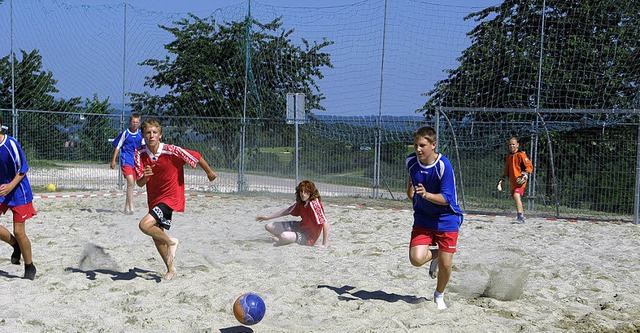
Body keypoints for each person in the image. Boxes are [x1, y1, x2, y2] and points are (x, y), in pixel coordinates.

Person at [133, 118, 217, 280]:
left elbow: (196, 156)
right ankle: (170, 269)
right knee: (157, 237)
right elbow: (140, 183)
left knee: (144, 225)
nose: (151, 135)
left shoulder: (172, 151)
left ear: (160, 135)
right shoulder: (139, 153)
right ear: (143, 135)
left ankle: (172, 241)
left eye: (155, 132)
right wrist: (145, 176)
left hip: (171, 197)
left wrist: (210, 173)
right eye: (148, 133)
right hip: (154, 198)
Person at [406, 126, 463, 310]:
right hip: (423, 218)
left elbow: (447, 198)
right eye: (415, 145)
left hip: (446, 218)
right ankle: (438, 254)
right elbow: (412, 184)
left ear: (433, 144)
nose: (418, 149)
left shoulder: (443, 165)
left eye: (422, 145)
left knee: (446, 265)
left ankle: (439, 295)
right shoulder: (411, 162)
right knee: (416, 259)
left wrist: (426, 195)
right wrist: (413, 194)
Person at [0, 118, 37, 280]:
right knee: (16, 237)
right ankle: (15, 245)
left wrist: (10, 186)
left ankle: (29, 266)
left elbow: (23, 169)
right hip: (1, 191)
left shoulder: (10, 144)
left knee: (19, 231)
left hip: (18, 191)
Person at [255, 180, 329, 248]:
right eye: (301, 192)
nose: (303, 194)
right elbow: (287, 211)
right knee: (269, 226)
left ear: (311, 192)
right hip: (300, 226)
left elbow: (325, 223)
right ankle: (282, 238)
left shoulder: (314, 204)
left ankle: (280, 239)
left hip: (308, 237)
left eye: (306, 192)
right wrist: (268, 217)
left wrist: (324, 244)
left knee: (284, 236)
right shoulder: (301, 203)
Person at [110, 113, 144, 215]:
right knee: (130, 182)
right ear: (130, 122)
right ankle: (131, 206)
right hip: (126, 160)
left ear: (139, 123)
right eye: (133, 122)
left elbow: (143, 148)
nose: (135, 124)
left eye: (137, 122)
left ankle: (126, 207)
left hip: (136, 161)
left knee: (131, 184)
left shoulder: (140, 134)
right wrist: (113, 160)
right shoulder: (125, 133)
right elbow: (117, 146)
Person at [497, 137, 533, 223]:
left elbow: (529, 166)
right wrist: (503, 178)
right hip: (513, 181)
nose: (511, 146)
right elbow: (507, 168)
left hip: (520, 180)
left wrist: (525, 174)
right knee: (515, 196)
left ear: (517, 145)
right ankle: (520, 214)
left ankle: (520, 216)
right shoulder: (509, 156)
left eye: (513, 144)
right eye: (510, 144)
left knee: (516, 195)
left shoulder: (521, 154)